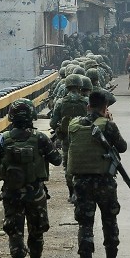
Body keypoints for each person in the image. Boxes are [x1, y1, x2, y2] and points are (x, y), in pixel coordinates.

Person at [0, 99, 62, 258]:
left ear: (11, 117)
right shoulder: (40, 139)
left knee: (15, 233)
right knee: (36, 233)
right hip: (35, 194)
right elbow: (57, 160)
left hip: (12, 194)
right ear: (31, 115)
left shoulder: (3, 139)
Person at [67, 91, 128, 258]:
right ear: (105, 108)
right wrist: (109, 121)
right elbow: (122, 147)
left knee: (85, 224)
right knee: (109, 222)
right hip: (104, 183)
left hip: (81, 183)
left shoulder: (74, 126)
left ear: (88, 107)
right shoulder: (108, 126)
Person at [50, 74, 89, 202]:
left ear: (66, 86)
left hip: (67, 138)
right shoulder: (86, 101)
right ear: (80, 86)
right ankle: (82, 191)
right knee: (83, 164)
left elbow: (52, 123)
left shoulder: (60, 102)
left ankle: (72, 193)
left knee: (68, 165)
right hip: (83, 138)